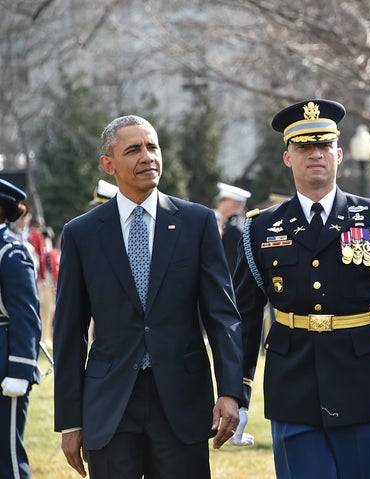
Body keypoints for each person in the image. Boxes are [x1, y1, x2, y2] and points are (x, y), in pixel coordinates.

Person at [232, 99, 370, 478]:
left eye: (323, 146)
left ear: (338, 154)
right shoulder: (261, 227)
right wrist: (238, 392)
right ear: (288, 157)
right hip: (293, 383)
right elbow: (245, 317)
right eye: (304, 147)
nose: (314, 154)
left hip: (361, 380)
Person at [53, 115, 244, 479]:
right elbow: (68, 332)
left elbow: (223, 315)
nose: (148, 157)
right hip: (110, 404)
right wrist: (70, 420)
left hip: (182, 401)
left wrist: (231, 392)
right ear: (108, 164)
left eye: (152, 146)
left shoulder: (197, 223)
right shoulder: (82, 234)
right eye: (133, 150)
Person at [0, 179, 42, 479]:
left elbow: (26, 315)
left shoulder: (11, 252)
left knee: (7, 457)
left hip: (4, 360)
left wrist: (21, 370)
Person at [216, 182, 251, 272]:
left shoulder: (233, 228)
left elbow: (233, 264)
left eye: (222, 200)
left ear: (231, 203)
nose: (218, 203)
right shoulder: (237, 223)